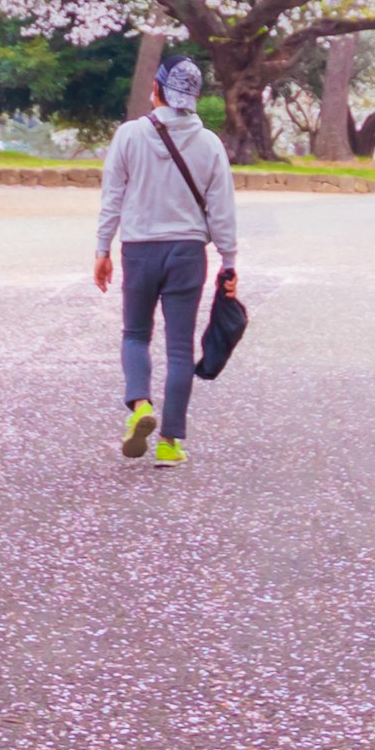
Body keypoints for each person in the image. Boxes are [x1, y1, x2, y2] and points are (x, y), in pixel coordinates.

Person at [94, 55, 239, 467]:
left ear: (156, 90)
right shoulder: (210, 143)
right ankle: (169, 444)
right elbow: (222, 209)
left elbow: (112, 199)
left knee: (135, 334)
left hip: (139, 250)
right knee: (179, 350)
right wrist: (228, 261)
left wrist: (103, 250)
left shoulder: (128, 136)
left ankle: (140, 407)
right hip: (187, 253)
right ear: (192, 98)